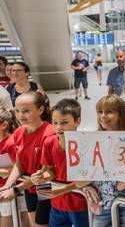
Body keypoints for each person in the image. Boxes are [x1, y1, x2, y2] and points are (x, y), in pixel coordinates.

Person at [31, 99, 89, 227]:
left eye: (64, 123)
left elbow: (86, 179)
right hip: (57, 204)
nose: (58, 127)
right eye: (55, 122)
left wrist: (62, 190)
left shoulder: (85, 144)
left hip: (80, 205)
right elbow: (50, 170)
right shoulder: (49, 142)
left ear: (77, 121)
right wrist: (42, 176)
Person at [0, 91, 54, 226]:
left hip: (45, 186)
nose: (20, 115)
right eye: (17, 111)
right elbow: (19, 164)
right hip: (29, 188)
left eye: (25, 111)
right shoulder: (19, 132)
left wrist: (16, 189)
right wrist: (8, 185)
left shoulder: (49, 134)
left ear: (40, 109)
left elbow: (43, 173)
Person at [86, 94, 125, 227]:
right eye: (100, 112)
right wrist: (87, 185)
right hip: (102, 204)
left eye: (109, 112)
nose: (103, 116)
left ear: (121, 115)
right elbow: (85, 172)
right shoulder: (92, 140)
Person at [0, 108, 30, 227]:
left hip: (11, 190)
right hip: (3, 190)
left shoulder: (11, 142)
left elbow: (16, 167)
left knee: (21, 220)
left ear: (4, 125)